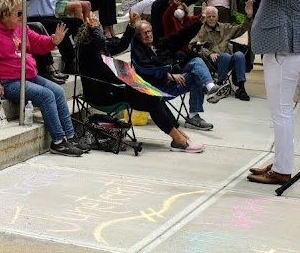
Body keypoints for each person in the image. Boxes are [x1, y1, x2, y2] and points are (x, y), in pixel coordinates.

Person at [210, 0, 300, 185]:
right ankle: (281, 162)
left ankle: (282, 170)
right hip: (291, 51)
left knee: (281, 114)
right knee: (283, 112)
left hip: (284, 52)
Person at [74, 13, 205, 152]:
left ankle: (179, 134)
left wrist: (131, 25)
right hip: (100, 95)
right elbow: (98, 41)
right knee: (151, 99)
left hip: (114, 90)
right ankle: (178, 139)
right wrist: (95, 27)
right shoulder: (86, 49)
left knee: (154, 94)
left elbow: (122, 44)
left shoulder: (101, 46)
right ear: (92, 34)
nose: (102, 33)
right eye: (99, 30)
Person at [0, 0, 82, 156]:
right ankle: (58, 141)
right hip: (9, 81)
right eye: (19, 13)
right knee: (46, 95)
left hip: (28, 75)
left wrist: (53, 41)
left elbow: (37, 42)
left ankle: (71, 136)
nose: (23, 17)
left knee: (58, 91)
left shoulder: (20, 27)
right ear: (5, 15)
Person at [129, 18, 218, 133]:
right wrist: (168, 75)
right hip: (156, 91)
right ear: (138, 36)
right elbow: (148, 69)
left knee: (197, 63)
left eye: (149, 31)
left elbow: (181, 36)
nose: (148, 35)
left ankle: (210, 90)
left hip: (174, 83)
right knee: (196, 74)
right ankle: (194, 115)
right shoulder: (138, 52)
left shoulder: (159, 44)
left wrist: (199, 22)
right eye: (144, 33)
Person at [194, 3, 255, 101]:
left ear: (217, 17)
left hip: (227, 60)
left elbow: (241, 28)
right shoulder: (201, 30)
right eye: (209, 16)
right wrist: (210, 53)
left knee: (239, 55)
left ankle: (241, 88)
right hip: (210, 61)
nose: (211, 18)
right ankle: (219, 84)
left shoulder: (225, 28)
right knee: (226, 56)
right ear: (205, 17)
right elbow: (196, 46)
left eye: (213, 16)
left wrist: (248, 17)